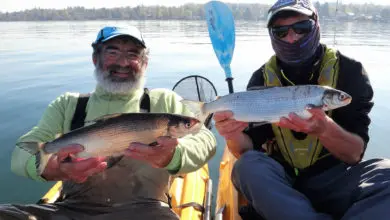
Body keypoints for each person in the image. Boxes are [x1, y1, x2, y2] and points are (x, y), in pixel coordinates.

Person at [0, 25, 217, 220]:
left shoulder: (164, 101)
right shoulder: (68, 104)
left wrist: (173, 155)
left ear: (144, 63)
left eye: (132, 54)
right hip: (72, 210)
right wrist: (54, 170)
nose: (123, 63)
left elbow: (205, 140)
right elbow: (22, 153)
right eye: (113, 52)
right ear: (96, 58)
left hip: (147, 210)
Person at [214, 0, 390, 219]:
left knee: (387, 173)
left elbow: (354, 155)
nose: (292, 37)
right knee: (246, 167)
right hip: (281, 181)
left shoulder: (350, 71)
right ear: (272, 35)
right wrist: (231, 134)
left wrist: (324, 128)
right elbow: (246, 150)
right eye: (280, 31)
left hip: (335, 178)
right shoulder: (261, 79)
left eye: (301, 28)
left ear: (316, 25)